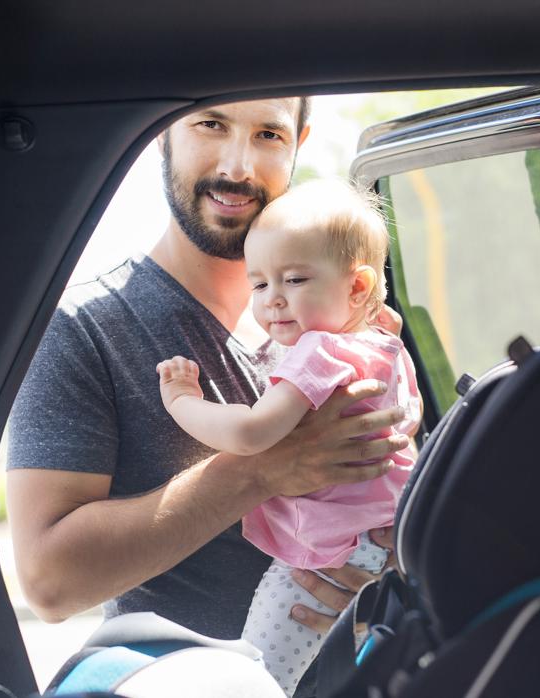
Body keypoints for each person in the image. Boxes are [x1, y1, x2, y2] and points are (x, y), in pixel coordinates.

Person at [6, 98, 410, 683]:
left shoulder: (347, 319)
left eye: (268, 134)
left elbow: (394, 464)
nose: (238, 166)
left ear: (299, 139)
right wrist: (262, 469)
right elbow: (49, 583)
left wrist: (390, 556)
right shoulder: (82, 329)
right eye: (211, 123)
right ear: (161, 133)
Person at [156, 179, 420, 694]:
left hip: (328, 553)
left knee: (259, 675)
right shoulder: (384, 342)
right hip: (381, 543)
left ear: (358, 287)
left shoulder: (321, 351)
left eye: (295, 280)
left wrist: (182, 400)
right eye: (259, 285)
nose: (273, 301)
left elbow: (252, 433)